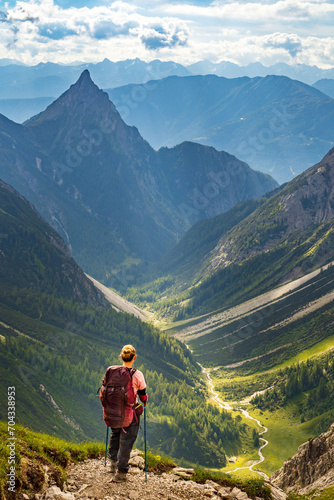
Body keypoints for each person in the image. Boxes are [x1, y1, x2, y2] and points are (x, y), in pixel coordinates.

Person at [102, 344, 148, 483]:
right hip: (129, 414)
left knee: (115, 435)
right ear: (134, 357)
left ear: (121, 357)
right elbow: (143, 395)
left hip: (113, 411)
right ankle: (121, 474)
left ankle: (112, 464)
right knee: (126, 442)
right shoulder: (137, 374)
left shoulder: (111, 370)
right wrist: (144, 402)